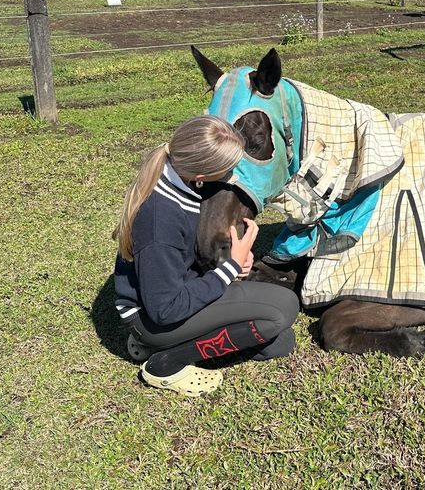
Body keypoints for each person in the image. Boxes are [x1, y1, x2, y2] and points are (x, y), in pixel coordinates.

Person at [112, 115, 299, 396]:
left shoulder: (177, 178)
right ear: (201, 177)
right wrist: (230, 266)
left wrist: (237, 262)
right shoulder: (159, 221)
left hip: (175, 295)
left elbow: (181, 259)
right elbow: (165, 309)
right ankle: (167, 361)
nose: (233, 177)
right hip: (152, 320)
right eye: (229, 171)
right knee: (282, 308)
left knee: (281, 340)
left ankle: (162, 344)